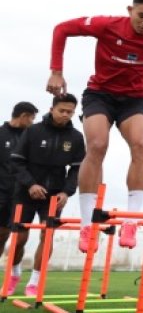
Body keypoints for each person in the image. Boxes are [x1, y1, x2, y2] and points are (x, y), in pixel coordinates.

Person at [46, 0, 143, 253]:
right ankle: (87, 223)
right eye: (142, 16)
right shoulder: (108, 25)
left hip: (134, 99)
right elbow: (62, 29)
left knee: (141, 144)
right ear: (130, 10)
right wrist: (56, 71)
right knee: (97, 145)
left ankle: (131, 219)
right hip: (99, 95)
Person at [5, 94, 85, 297]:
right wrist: (30, 184)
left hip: (54, 196)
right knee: (19, 239)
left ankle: (34, 282)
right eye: (62, 111)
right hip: (25, 192)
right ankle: (14, 274)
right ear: (52, 109)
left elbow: (76, 170)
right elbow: (16, 162)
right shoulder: (33, 131)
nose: (65, 115)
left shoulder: (76, 137)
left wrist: (67, 192)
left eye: (70, 112)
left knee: (47, 235)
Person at [0, 101, 38, 260]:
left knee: (19, 238)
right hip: (2, 193)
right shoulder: (1, 134)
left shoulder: (30, 136)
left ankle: (14, 273)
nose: (32, 122)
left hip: (22, 195)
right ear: (24, 116)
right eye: (31, 119)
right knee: (1, 235)